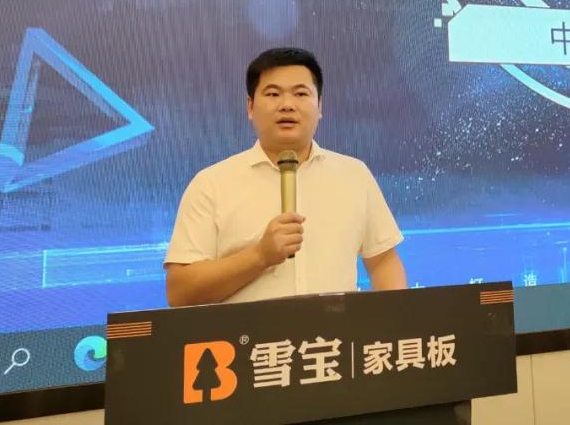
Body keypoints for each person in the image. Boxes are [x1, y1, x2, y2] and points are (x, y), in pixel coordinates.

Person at [164, 47, 407, 306]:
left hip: (334, 333)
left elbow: (383, 263)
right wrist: (260, 256)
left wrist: (394, 320)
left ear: (319, 106)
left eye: (301, 94)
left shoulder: (354, 175)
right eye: (273, 94)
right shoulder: (212, 184)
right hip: (249, 334)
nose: (287, 105)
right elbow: (180, 292)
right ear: (250, 106)